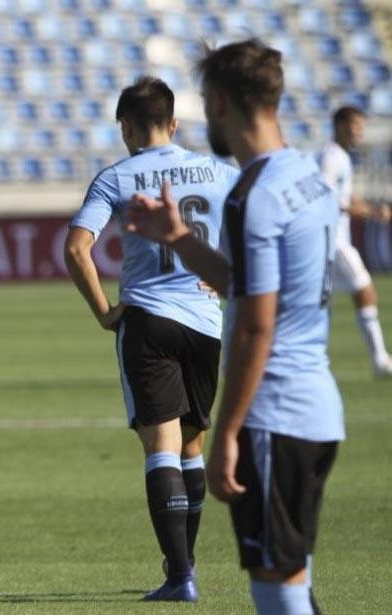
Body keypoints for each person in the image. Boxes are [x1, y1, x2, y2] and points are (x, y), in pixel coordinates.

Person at [126, 39, 344, 615]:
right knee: (294, 581)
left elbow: (254, 326)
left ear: (219, 101)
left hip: (276, 414)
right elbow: (247, 283)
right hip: (319, 407)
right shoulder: (307, 178)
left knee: (275, 592)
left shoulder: (255, 195)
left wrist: (227, 432)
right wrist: (178, 240)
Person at [64, 76, 239, 602]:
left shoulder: (117, 177)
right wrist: (225, 274)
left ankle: (179, 576)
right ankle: (184, 565)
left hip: (148, 318)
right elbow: (253, 229)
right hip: (207, 322)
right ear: (175, 123)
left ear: (126, 127)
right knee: (191, 444)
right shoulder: (219, 171)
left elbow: (77, 248)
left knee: (159, 445)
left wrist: (102, 311)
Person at [317, 106, 392, 378]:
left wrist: (369, 207)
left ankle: (315, 361)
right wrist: (370, 211)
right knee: (365, 289)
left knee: (321, 304)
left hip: (335, 238)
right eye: (355, 125)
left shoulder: (342, 157)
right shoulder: (332, 157)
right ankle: (380, 359)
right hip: (333, 240)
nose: (359, 131)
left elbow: (343, 197)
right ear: (340, 125)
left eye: (361, 125)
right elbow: (326, 196)